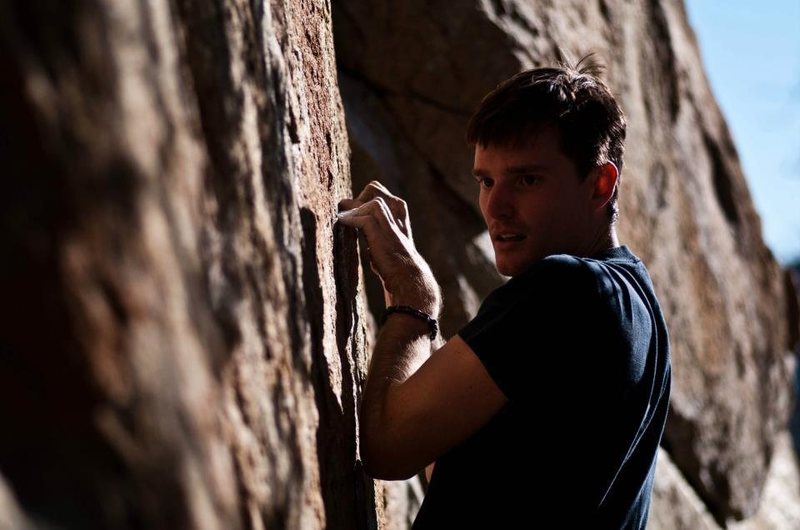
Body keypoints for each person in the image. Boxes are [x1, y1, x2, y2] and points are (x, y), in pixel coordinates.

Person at [337, 55, 671, 529]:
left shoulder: (569, 289)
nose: (496, 207)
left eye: (527, 180)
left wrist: (416, 299)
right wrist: (409, 296)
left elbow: (389, 448)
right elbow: (447, 459)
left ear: (600, 183)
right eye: (486, 180)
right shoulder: (640, 312)